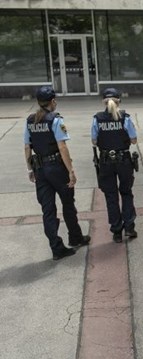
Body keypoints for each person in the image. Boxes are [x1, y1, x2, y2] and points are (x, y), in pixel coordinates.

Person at [24, 85, 90, 260]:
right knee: (68, 203)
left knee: (48, 210)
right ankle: (75, 237)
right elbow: (62, 147)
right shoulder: (55, 120)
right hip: (56, 168)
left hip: (40, 169)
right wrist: (71, 171)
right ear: (52, 101)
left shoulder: (30, 121)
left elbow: (27, 147)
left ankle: (56, 247)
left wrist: (30, 169)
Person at [92, 87, 139, 243]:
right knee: (126, 192)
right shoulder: (125, 117)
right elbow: (133, 140)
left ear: (104, 102)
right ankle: (130, 227)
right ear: (119, 101)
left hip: (105, 161)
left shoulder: (97, 118)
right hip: (123, 160)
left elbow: (94, 140)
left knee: (111, 196)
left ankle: (117, 231)